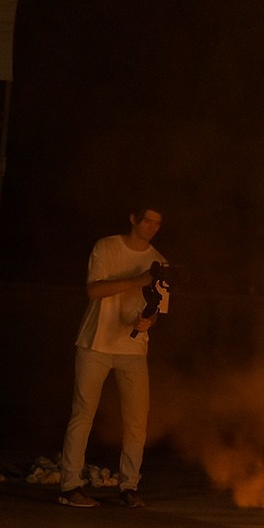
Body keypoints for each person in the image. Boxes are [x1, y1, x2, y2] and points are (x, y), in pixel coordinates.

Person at [57, 208, 167, 508]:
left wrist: (148, 321)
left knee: (136, 421)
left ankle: (129, 486)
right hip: (95, 344)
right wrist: (139, 279)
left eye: (157, 223)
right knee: (83, 414)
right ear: (133, 218)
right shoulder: (106, 247)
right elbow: (94, 290)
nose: (151, 228)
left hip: (133, 350)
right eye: (147, 221)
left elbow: (156, 309)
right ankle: (70, 486)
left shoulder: (160, 262)